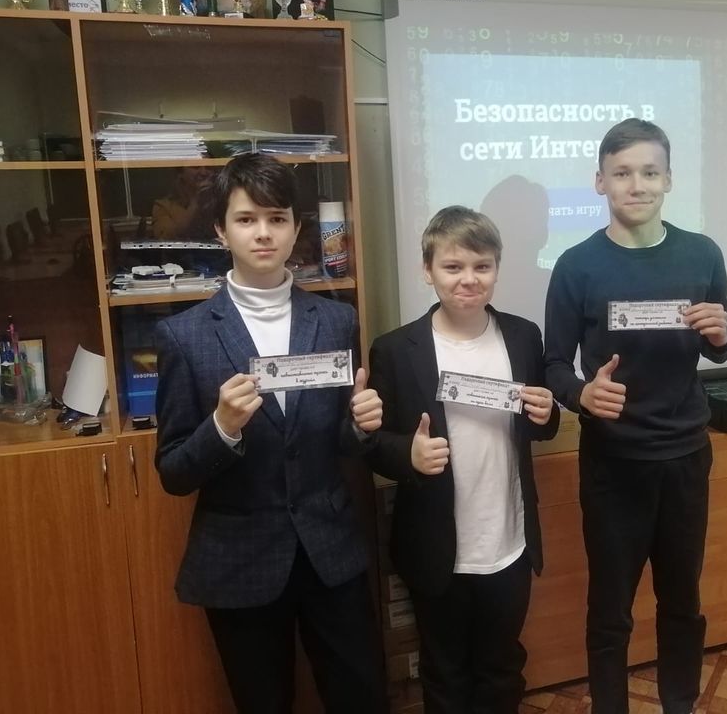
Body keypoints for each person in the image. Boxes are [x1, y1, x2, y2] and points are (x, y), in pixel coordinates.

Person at [153, 153, 387, 713]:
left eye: (277, 218)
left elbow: (339, 443)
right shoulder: (184, 336)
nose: (263, 233)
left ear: (296, 228)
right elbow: (173, 472)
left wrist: (360, 426)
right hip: (241, 559)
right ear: (220, 230)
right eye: (246, 219)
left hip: (330, 550)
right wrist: (221, 427)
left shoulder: (335, 321)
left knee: (361, 697)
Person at [543, 118, 727, 714]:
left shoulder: (702, 253)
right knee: (610, 612)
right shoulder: (576, 266)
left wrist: (723, 334)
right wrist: (582, 395)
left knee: (682, 602)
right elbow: (554, 365)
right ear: (600, 182)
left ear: (669, 179)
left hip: (685, 457)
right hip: (613, 464)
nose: (637, 185)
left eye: (650, 172)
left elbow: (719, 344)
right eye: (623, 173)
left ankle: (680, 703)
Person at [363, 206, 560, 714]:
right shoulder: (395, 350)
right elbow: (374, 444)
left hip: (508, 542)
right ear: (426, 270)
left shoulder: (523, 336)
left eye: (481, 266)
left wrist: (546, 413)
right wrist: (408, 455)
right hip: (436, 547)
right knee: (444, 672)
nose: (468, 279)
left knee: (502, 669)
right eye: (452, 267)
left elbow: (540, 424)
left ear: (496, 269)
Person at [152, 165, 216, 240]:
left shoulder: (221, 201)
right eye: (195, 167)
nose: (203, 173)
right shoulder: (163, 206)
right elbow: (166, 238)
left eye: (208, 167)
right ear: (180, 173)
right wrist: (195, 201)